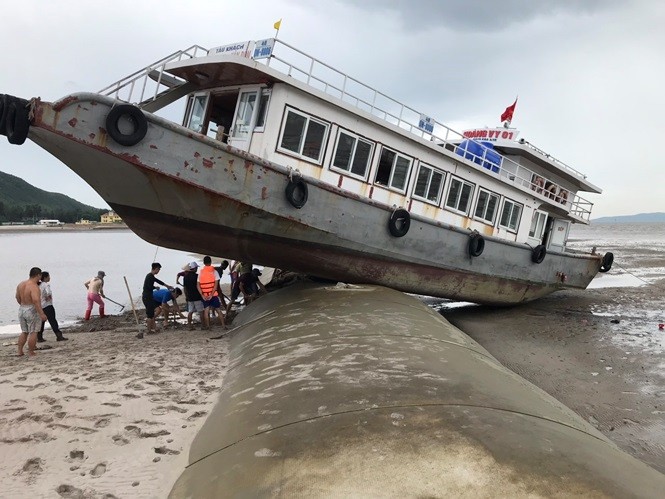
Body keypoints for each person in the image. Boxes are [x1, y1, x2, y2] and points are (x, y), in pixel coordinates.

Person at [15, 267, 48, 356]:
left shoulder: (21, 284)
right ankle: (31, 351)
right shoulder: (34, 286)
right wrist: (42, 314)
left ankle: (20, 351)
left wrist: (22, 305)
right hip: (31, 309)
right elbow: (36, 300)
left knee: (24, 331)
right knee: (33, 331)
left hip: (22, 308)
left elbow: (17, 297)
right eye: (40, 275)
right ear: (38, 275)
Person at [142, 262, 172, 334]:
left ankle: (154, 328)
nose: (158, 271)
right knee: (150, 314)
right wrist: (155, 287)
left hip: (149, 296)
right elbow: (149, 286)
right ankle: (149, 330)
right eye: (158, 269)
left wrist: (166, 286)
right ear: (156, 269)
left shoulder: (151, 276)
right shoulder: (149, 276)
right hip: (147, 297)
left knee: (152, 313)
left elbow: (158, 281)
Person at [38, 271, 68, 342]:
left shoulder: (38, 285)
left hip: (40, 306)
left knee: (41, 322)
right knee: (52, 321)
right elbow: (48, 292)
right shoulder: (46, 285)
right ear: (45, 277)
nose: (49, 278)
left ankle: (39, 337)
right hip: (48, 305)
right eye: (48, 276)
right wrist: (48, 297)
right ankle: (59, 336)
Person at [197, 256, 226, 329]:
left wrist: (202, 295)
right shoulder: (214, 271)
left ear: (203, 263)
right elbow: (216, 285)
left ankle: (208, 326)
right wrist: (212, 294)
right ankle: (223, 325)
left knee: (206, 310)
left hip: (205, 295)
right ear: (210, 262)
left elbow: (198, 285)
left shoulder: (200, 272)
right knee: (218, 309)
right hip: (213, 295)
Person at [182, 262, 205, 330]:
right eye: (196, 268)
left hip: (189, 297)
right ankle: (203, 325)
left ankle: (189, 326)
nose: (197, 269)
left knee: (190, 311)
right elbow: (199, 286)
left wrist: (186, 296)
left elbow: (185, 288)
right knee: (201, 311)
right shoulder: (197, 276)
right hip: (197, 296)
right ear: (194, 268)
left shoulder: (185, 277)